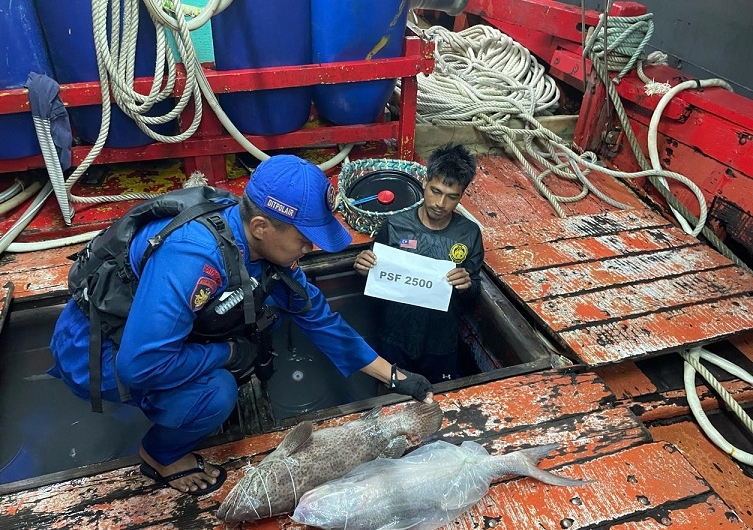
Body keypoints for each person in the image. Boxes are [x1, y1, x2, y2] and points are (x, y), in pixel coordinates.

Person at [48, 155, 433, 497]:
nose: (310, 249)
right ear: (263, 226)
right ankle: (160, 455)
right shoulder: (195, 258)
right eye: (304, 239)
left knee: (273, 311)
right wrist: (228, 352)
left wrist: (396, 376)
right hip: (99, 354)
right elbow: (139, 365)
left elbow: (317, 315)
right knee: (218, 391)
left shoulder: (256, 240)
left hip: (157, 332)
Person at [353, 143, 482, 384]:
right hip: (393, 338)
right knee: (391, 397)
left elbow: (473, 295)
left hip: (441, 344)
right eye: (435, 191)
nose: (440, 203)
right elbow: (373, 285)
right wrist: (363, 269)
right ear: (425, 181)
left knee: (442, 399)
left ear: (462, 195)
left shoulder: (469, 234)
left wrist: (467, 285)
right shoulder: (395, 225)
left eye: (451, 197)